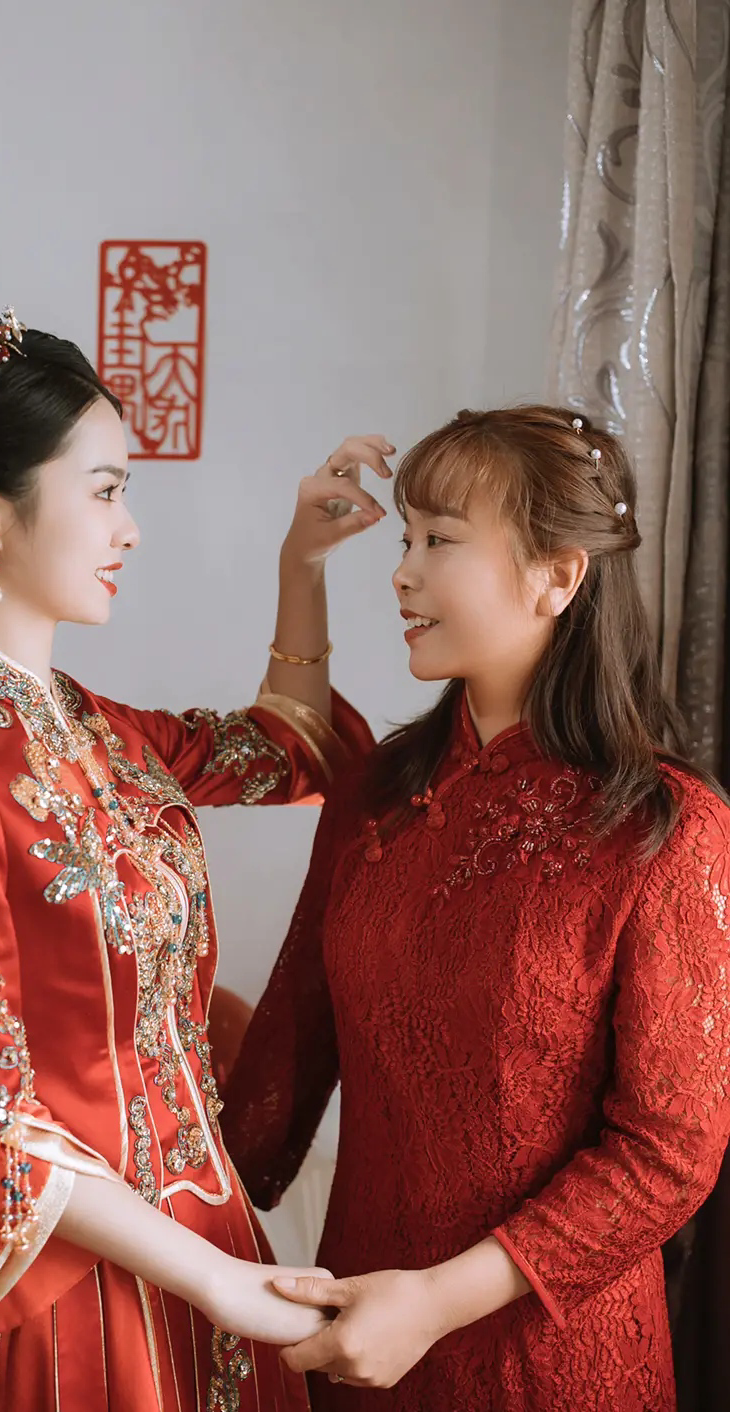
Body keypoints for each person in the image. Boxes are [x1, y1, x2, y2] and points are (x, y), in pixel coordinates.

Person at [0, 288, 387, 1412]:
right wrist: (216, 1281)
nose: (129, 528)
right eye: (107, 489)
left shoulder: (97, 730)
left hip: (216, 1241)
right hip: (78, 1285)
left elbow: (292, 749)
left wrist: (303, 565)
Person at [220, 406, 730, 1411]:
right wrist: (159, 1216)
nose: (403, 574)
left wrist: (437, 1301)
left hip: (552, 1360)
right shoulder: (373, 796)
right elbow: (292, 1045)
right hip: (361, 1339)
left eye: (440, 541)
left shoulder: (663, 826)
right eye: (405, 539)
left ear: (558, 575)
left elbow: (670, 1151)